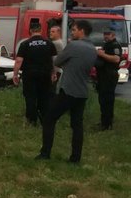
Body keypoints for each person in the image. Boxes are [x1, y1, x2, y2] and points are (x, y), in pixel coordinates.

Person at [38, 20, 99, 163]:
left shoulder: (74, 46)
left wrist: (68, 62)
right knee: (77, 125)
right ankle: (75, 158)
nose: (72, 32)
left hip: (68, 89)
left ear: (82, 31)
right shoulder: (92, 48)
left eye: (74, 30)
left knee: (49, 118)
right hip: (82, 91)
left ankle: (45, 153)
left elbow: (57, 62)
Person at [12, 22, 57, 126]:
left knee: (30, 97)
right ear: (40, 30)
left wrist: (15, 74)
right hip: (45, 74)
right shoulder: (49, 43)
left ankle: (32, 121)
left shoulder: (25, 44)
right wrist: (53, 72)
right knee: (45, 97)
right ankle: (44, 119)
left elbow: (19, 61)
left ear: (30, 30)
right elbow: (54, 60)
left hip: (30, 75)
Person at [95, 26, 124, 130]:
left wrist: (102, 55)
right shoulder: (107, 45)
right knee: (102, 99)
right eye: (105, 34)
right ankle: (104, 122)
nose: (106, 36)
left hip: (109, 75)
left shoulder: (115, 45)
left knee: (107, 100)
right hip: (103, 75)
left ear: (113, 35)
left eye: (108, 35)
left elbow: (116, 59)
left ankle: (107, 123)